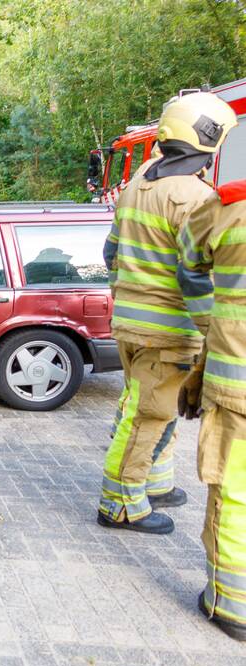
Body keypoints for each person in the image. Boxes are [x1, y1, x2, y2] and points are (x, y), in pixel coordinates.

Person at [98, 92, 238, 534]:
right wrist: (214, 332)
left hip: (130, 324)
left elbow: (111, 253)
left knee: (152, 408)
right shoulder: (197, 197)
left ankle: (155, 483)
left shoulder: (138, 183)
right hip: (169, 332)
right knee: (148, 417)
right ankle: (120, 504)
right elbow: (196, 276)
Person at [178, 177, 246, 640]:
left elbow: (188, 262)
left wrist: (209, 326)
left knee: (235, 492)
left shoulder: (231, 206)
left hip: (238, 384)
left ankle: (231, 603)